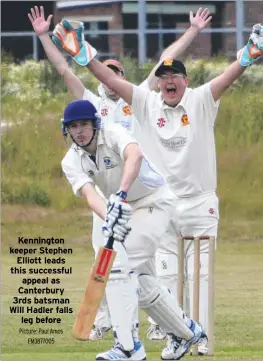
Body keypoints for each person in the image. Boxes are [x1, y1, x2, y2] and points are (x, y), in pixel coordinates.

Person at [50, 16, 263, 357]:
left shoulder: (195, 100)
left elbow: (225, 79)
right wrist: (85, 58)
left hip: (171, 202)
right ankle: (183, 332)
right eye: (163, 76)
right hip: (148, 208)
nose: (168, 81)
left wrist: (246, 56)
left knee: (180, 275)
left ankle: (133, 346)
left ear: (185, 80)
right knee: (148, 278)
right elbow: (106, 79)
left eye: (174, 76)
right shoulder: (145, 103)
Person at [28, 5, 212, 349]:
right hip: (108, 200)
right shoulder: (89, 107)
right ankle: (128, 327)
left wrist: (194, 32)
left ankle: (136, 341)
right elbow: (62, 68)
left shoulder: (136, 98)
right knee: (113, 264)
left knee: (131, 268)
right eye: (106, 70)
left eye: (115, 71)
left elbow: (165, 59)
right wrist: (42, 36)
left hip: (143, 193)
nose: (109, 75)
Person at [58, 98, 206, 360]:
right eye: (73, 126)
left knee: (118, 267)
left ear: (95, 124)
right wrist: (110, 214)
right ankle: (186, 332)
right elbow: (91, 195)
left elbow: (134, 155)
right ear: (66, 130)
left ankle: (128, 347)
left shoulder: (113, 132)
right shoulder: (71, 160)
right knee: (140, 285)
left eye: (84, 124)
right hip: (122, 211)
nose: (79, 131)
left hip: (153, 201)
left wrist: (121, 194)